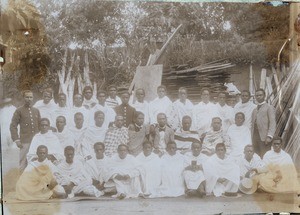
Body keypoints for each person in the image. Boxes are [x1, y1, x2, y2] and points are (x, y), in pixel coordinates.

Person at [10, 90, 41, 171]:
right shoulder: (19, 110)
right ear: (23, 98)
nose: (29, 99)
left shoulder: (36, 110)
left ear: (33, 98)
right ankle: (22, 180)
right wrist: (16, 140)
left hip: (36, 141)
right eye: (27, 97)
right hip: (25, 141)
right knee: (23, 162)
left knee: (36, 161)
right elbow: (13, 126)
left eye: (31, 97)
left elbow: (40, 125)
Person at [251, 89, 276, 158]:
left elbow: (272, 123)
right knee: (256, 156)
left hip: (264, 137)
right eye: (257, 95)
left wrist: (269, 136)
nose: (258, 97)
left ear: (264, 96)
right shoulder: (254, 110)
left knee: (265, 156)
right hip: (254, 136)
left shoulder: (269, 107)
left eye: (260, 95)